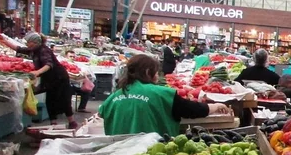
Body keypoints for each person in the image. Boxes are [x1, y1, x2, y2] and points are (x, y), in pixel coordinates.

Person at [99, 54, 231, 136]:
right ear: (147, 72)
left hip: (118, 154)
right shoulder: (162, 93)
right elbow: (191, 109)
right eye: (156, 72)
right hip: (151, 153)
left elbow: (101, 115)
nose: (158, 76)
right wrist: (215, 106)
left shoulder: (113, 97)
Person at [17, 32, 78, 129]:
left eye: (28, 42)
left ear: (34, 42)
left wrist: (37, 72)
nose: (27, 44)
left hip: (59, 77)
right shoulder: (33, 50)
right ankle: (53, 124)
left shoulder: (44, 50)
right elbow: (18, 49)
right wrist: (2, 39)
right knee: (50, 100)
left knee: (64, 99)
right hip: (49, 79)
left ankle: (72, 122)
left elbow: (48, 64)